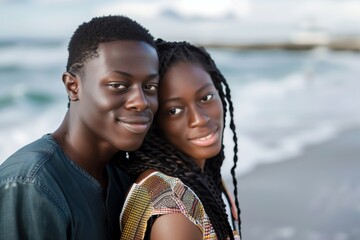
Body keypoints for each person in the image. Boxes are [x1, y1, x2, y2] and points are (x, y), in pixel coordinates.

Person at [0, 15, 159, 240]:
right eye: (118, 85)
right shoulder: (30, 185)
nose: (141, 101)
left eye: (150, 86)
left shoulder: (125, 179)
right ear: (73, 86)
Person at [118, 39, 242, 240]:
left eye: (206, 98)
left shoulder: (203, 175)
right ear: (154, 122)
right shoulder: (174, 212)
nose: (199, 119)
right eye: (174, 110)